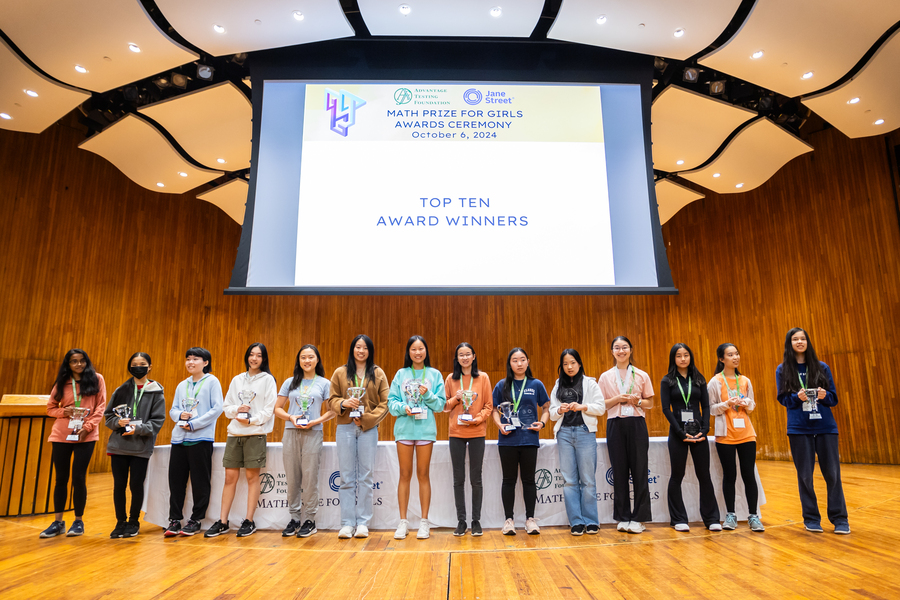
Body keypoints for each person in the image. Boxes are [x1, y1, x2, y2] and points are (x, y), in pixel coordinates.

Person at [776, 327, 849, 534]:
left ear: (808, 342)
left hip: (825, 427)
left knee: (833, 474)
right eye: (795, 339)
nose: (800, 342)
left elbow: (834, 399)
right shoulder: (783, 370)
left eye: (803, 339)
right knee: (805, 475)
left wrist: (825, 395)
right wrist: (795, 398)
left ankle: (840, 519)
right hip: (799, 428)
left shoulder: (822, 367)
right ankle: (811, 518)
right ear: (789, 344)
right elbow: (783, 400)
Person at [205, 343, 278, 538]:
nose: (254, 358)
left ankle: (249, 520)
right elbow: (226, 406)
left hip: (255, 433)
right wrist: (237, 411)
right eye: (251, 355)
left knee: (253, 478)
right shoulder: (237, 379)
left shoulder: (268, 380)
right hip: (234, 434)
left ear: (264, 359)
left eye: (259, 355)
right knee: (229, 478)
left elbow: (269, 410)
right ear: (247, 357)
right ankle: (222, 521)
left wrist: (251, 419)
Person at [326, 334, 390, 539]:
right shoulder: (340, 372)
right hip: (344, 427)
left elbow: (385, 403)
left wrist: (367, 419)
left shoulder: (378, 373)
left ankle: (362, 523)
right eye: (357, 347)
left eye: (365, 348)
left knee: (366, 476)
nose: (361, 351)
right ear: (352, 349)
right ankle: (346, 523)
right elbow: (331, 400)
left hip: (368, 429)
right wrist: (344, 404)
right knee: (346, 477)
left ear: (369, 351)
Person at [40, 348, 107, 538]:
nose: (78, 364)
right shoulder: (63, 382)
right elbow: (50, 408)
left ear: (87, 362)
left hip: (86, 435)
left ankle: (78, 521)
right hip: (61, 434)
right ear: (68, 364)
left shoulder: (97, 379)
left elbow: (100, 406)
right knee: (61, 478)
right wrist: (64, 412)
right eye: (74, 361)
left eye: (82, 360)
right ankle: (58, 522)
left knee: (79, 477)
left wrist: (88, 427)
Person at [389, 335, 446, 540]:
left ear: (426, 351)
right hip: (404, 430)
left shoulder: (434, 374)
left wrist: (428, 394)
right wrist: (403, 408)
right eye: (413, 349)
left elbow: (440, 405)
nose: (418, 352)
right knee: (404, 474)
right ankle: (403, 522)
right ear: (409, 352)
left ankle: (424, 522)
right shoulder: (401, 374)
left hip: (425, 431)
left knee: (423, 474)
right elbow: (391, 403)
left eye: (421, 348)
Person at [659, 343, 721, 532]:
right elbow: (665, 409)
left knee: (704, 475)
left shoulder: (699, 379)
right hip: (678, 433)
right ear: (673, 359)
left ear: (690, 357)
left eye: (686, 355)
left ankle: (711, 519)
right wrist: (679, 432)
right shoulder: (667, 381)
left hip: (699, 433)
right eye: (679, 356)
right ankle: (678, 518)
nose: (683, 359)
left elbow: (706, 406)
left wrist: (704, 429)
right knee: (677, 475)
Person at [104, 352, 166, 538]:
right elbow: (108, 418)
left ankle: (133, 522)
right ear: (129, 367)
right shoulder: (121, 390)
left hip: (140, 447)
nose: (138, 367)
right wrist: (118, 423)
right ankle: (120, 522)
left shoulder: (156, 392)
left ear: (150, 367)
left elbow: (157, 422)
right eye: (134, 364)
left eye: (142, 363)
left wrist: (137, 429)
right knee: (119, 485)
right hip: (118, 446)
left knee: (136, 485)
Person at [274, 344, 334, 538]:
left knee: (310, 478)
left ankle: (309, 519)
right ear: (298, 361)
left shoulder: (325, 383)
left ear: (317, 360)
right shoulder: (290, 382)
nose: (307, 361)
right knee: (292, 478)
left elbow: (333, 410)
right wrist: (290, 417)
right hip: (291, 432)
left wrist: (315, 421)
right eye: (303, 358)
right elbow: (278, 408)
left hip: (313, 432)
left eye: (310, 357)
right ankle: (294, 518)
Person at [597, 336, 654, 534]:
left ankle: (639, 518)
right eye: (617, 348)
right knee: (619, 472)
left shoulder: (641, 375)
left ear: (630, 350)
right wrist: (617, 399)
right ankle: (622, 516)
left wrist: (637, 402)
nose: (621, 351)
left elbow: (650, 403)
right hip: (615, 424)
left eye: (624, 347)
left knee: (639, 471)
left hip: (637, 423)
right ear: (612, 352)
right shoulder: (605, 377)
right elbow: (601, 404)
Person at [165, 347, 224, 537]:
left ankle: (195, 519)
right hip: (179, 438)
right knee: (176, 482)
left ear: (205, 363)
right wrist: (179, 415)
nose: (190, 362)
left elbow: (217, 409)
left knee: (200, 481)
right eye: (188, 359)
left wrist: (194, 424)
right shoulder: (182, 385)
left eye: (195, 359)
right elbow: (173, 409)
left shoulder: (212, 381)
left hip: (201, 438)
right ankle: (174, 519)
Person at [492, 347, 550, 535]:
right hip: (507, 439)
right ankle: (508, 520)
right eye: (515, 360)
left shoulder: (536, 384)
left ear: (528, 361)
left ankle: (530, 519)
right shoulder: (502, 385)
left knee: (529, 480)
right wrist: (499, 425)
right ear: (510, 363)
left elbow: (547, 408)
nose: (519, 363)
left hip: (529, 439)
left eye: (522, 359)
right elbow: (493, 409)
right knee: (508, 480)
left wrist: (542, 423)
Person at [707, 343, 763, 532]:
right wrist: (726, 404)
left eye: (737, 354)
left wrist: (746, 402)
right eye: (730, 355)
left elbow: (752, 405)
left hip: (746, 434)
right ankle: (730, 515)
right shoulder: (715, 381)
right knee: (729, 476)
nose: (735, 357)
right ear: (722, 359)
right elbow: (711, 408)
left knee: (749, 475)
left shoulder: (745, 380)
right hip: (726, 435)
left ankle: (753, 516)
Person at [549, 349, 605, 535]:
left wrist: (583, 407)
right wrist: (559, 410)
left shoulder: (590, 383)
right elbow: (551, 413)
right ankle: (576, 522)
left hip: (585, 433)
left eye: (572, 362)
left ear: (579, 363)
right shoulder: (558, 385)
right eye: (565, 364)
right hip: (564, 433)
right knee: (569, 481)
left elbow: (601, 408)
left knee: (588, 480)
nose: (569, 367)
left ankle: (591, 521)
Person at [444, 342, 492, 537]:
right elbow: (445, 407)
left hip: (477, 432)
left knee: (476, 478)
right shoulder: (450, 379)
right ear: (457, 358)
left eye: (468, 354)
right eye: (460, 355)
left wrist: (477, 419)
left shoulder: (483, 378)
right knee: (458, 479)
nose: (464, 358)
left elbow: (488, 405)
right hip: (456, 433)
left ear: (474, 356)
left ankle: (476, 521)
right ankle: (461, 521)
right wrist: (456, 399)